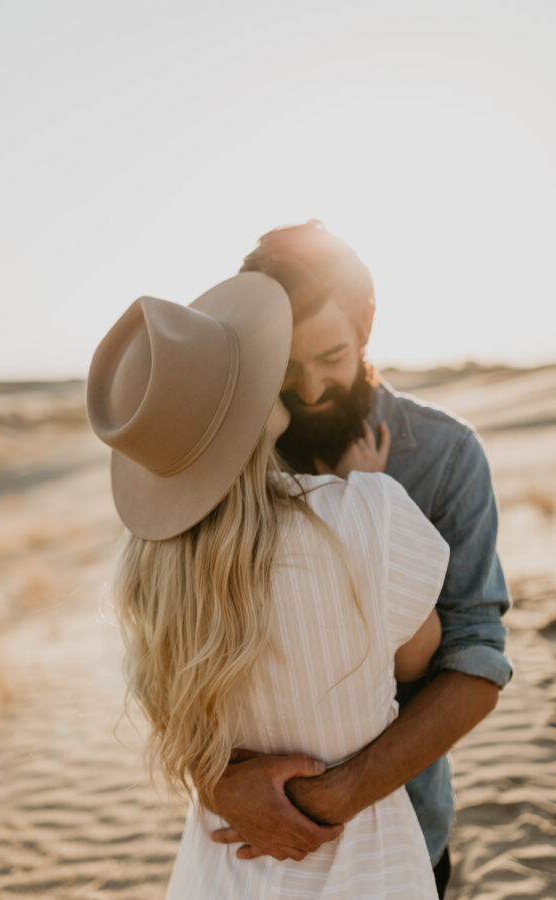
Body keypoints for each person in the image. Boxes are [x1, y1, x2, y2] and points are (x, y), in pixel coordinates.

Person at [85, 272, 451, 898]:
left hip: (224, 868)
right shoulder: (369, 511)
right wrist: (359, 493)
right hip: (362, 870)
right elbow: (420, 656)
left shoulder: (145, 573)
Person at [207, 222, 513, 898]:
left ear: (367, 324)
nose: (310, 387)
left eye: (331, 355)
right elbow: (173, 648)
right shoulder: (228, 460)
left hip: (402, 835)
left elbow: (475, 662)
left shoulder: (445, 457)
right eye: (285, 366)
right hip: (248, 848)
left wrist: (336, 797)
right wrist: (212, 779)